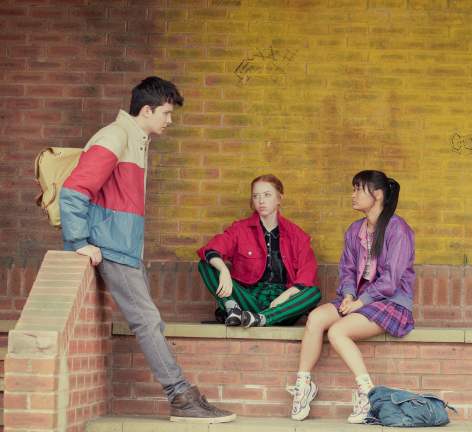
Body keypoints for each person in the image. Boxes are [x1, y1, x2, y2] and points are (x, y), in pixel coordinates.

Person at [60, 76, 235, 423]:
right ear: (146, 110)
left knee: (148, 320)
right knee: (148, 321)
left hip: (123, 248)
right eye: (166, 113)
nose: (169, 120)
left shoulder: (134, 139)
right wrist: (79, 243)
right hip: (111, 248)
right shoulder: (116, 136)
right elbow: (74, 190)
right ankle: (181, 396)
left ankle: (183, 396)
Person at [288, 170, 415, 423]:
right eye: (353, 189)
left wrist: (361, 302)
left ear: (377, 195)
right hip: (358, 298)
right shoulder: (354, 230)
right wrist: (348, 295)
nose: (353, 194)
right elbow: (347, 269)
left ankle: (368, 395)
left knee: (337, 332)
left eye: (358, 189)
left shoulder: (398, 229)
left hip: (389, 302)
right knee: (316, 318)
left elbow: (391, 281)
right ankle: (303, 386)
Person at [196, 174, 322, 327]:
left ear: (279, 198)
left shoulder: (297, 235)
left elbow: (307, 274)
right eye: (256, 196)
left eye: (267, 195)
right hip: (248, 301)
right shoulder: (240, 229)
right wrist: (223, 270)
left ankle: (261, 318)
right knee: (206, 264)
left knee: (313, 293)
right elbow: (212, 249)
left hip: (281, 306)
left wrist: (285, 296)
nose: (261, 201)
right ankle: (234, 308)